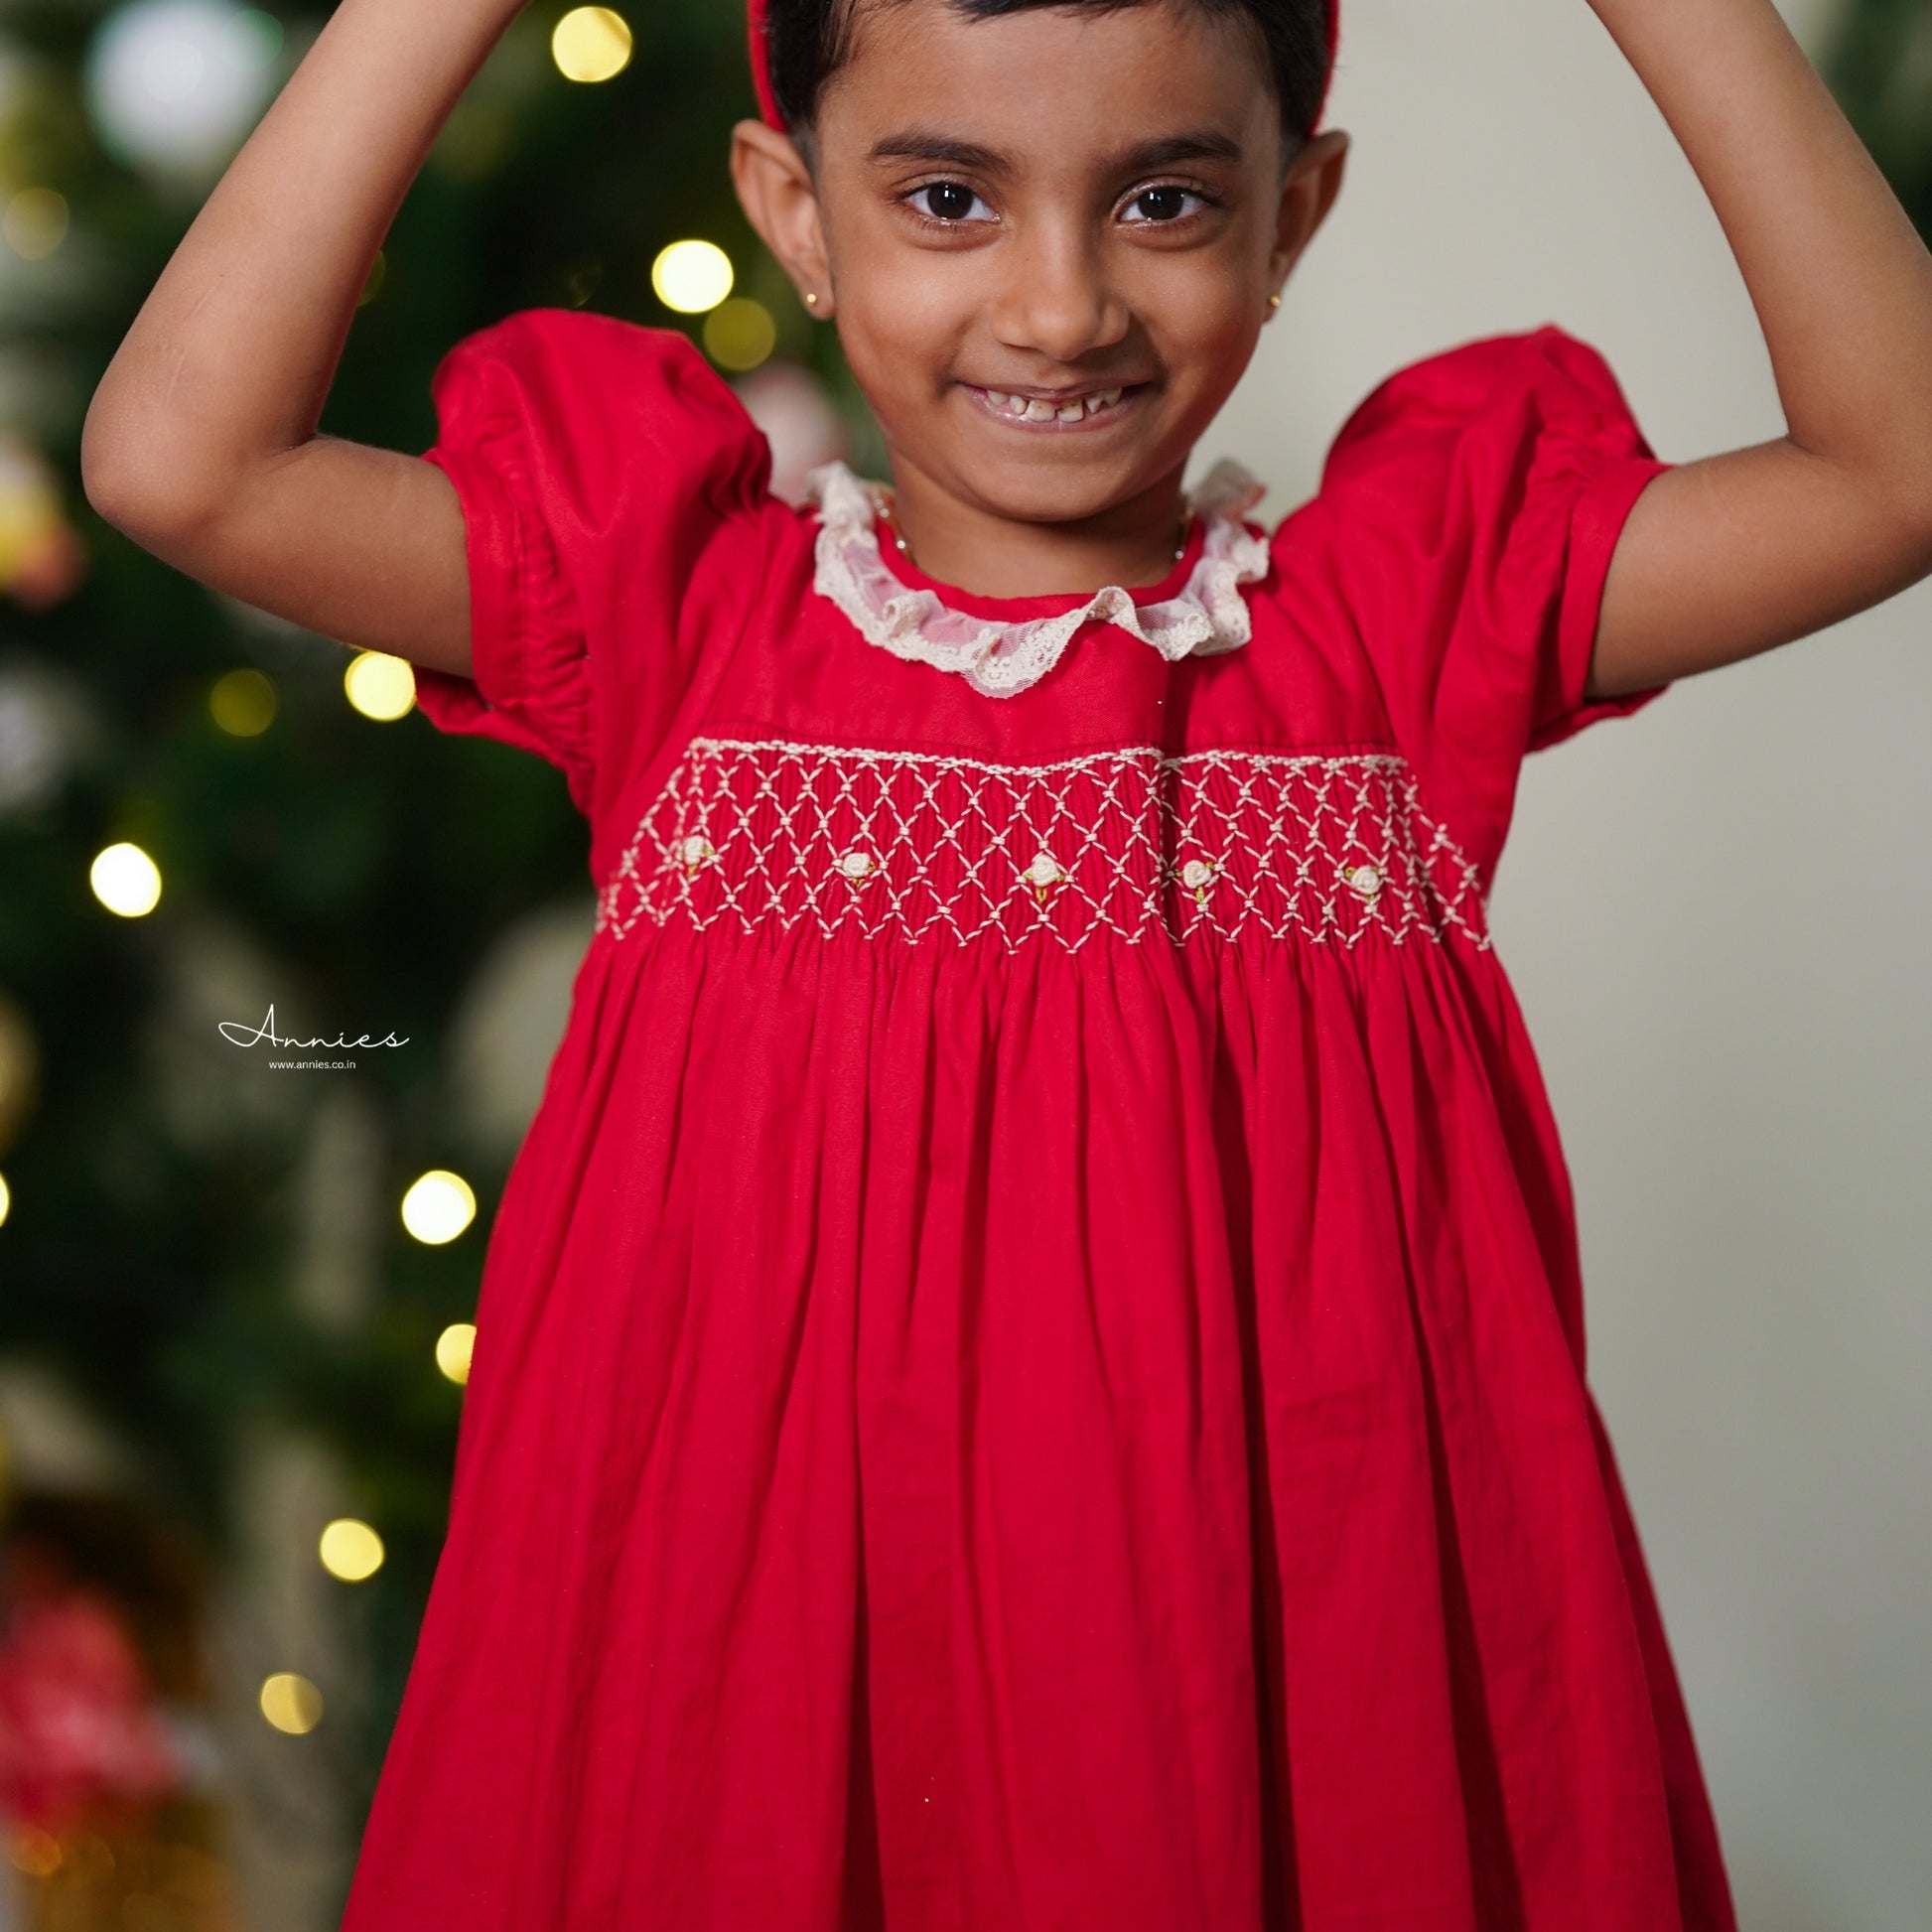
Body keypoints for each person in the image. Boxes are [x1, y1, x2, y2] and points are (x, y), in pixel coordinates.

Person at [78, 0, 1932, 1921]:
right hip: (751, 1743)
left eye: (1163, 202)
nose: (1059, 307)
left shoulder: (1400, 626)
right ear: (792, 213)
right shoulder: (673, 621)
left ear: (1294, 218)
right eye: (949, 197)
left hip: (1289, 1735)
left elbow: (1896, 466)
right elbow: (177, 460)